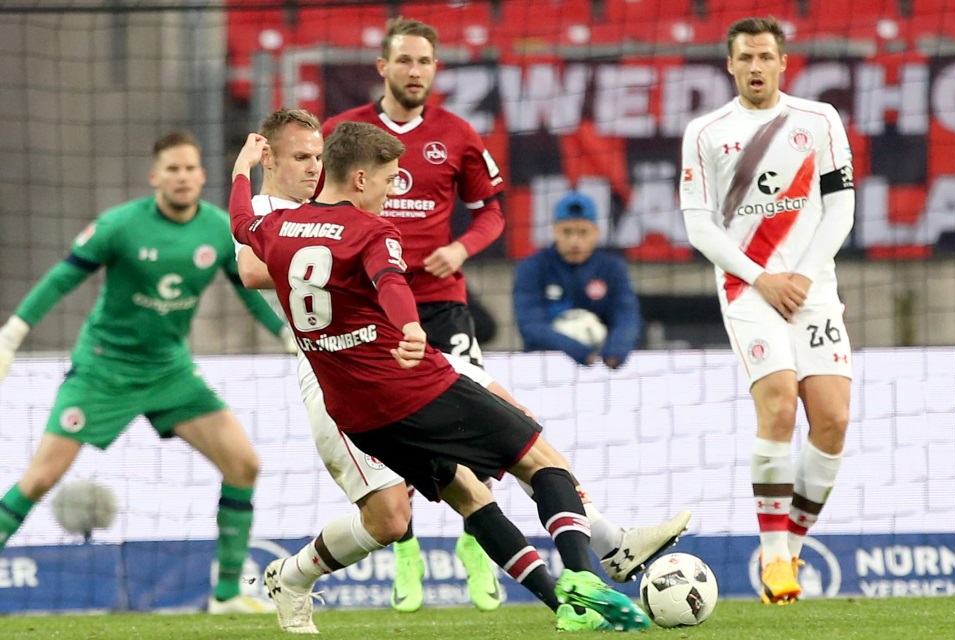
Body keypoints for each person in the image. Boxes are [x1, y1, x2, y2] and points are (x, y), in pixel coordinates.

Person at [236, 109, 689, 634]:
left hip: (392, 359)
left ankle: (593, 568)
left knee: (481, 470)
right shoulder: (284, 215)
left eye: (318, 156)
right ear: (266, 158)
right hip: (347, 372)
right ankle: (295, 576)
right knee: (402, 512)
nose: (313, 168)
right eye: (300, 158)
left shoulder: (292, 216)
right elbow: (254, 268)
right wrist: (358, 252)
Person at [0, 131, 294, 614]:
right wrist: (12, 335)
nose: (182, 178)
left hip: (169, 372)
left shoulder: (219, 230)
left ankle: (225, 596)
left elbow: (247, 289)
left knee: (244, 465)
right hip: (103, 371)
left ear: (202, 175)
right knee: (38, 479)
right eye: (172, 169)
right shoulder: (119, 226)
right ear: (155, 177)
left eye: (190, 169)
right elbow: (60, 279)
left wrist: (286, 335)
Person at [320, 17, 507, 613]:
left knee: (477, 416)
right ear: (383, 67)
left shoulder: (457, 134)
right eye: (404, 61)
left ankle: (477, 542)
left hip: (442, 304)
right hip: (366, 308)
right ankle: (404, 546)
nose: (415, 71)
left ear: (435, 68)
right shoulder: (345, 136)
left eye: (425, 61)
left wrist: (463, 247)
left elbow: (492, 212)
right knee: (387, 435)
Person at [680, 17, 855, 605]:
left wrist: (803, 276)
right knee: (779, 403)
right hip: (748, 288)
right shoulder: (707, 131)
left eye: (765, 56)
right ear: (729, 65)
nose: (756, 66)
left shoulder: (819, 120)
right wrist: (763, 277)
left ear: (784, 62)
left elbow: (841, 207)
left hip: (812, 289)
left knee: (831, 420)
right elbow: (698, 223)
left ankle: (795, 545)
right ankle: (774, 559)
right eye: (745, 58)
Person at [513, 191, 642, 369]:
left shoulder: (613, 268)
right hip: (543, 365)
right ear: (555, 231)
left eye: (583, 232)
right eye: (567, 232)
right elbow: (530, 324)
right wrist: (581, 352)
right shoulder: (532, 268)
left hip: (602, 366)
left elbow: (627, 317)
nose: (575, 241)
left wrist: (614, 352)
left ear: (596, 232)